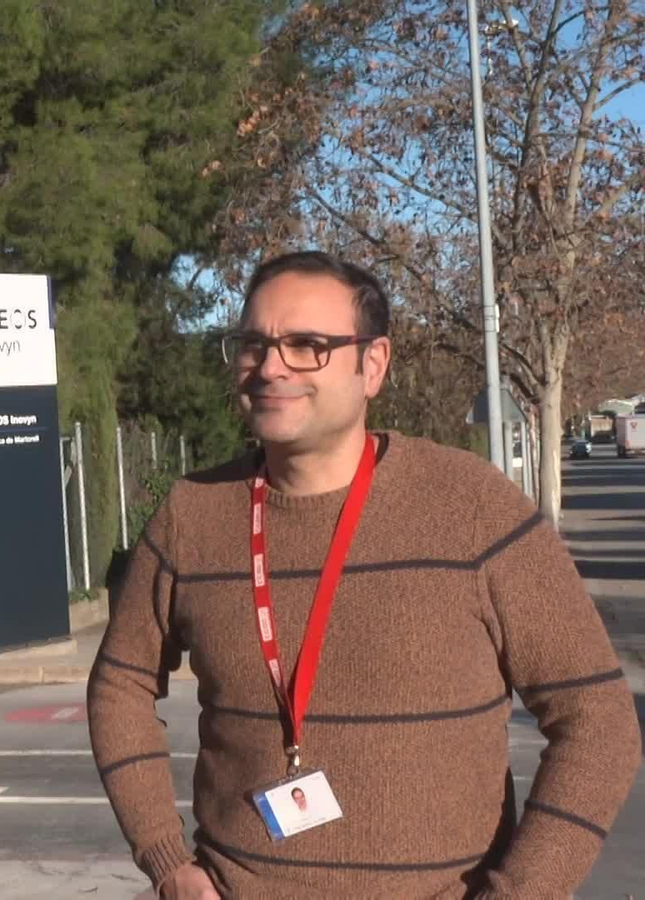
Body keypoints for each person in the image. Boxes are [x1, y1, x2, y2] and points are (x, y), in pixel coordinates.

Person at [88, 251, 641, 899]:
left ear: (372, 364)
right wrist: (165, 859)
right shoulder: (192, 514)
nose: (271, 367)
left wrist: (522, 890)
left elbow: (597, 720)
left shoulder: (472, 508)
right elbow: (119, 686)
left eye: (306, 345)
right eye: (253, 344)